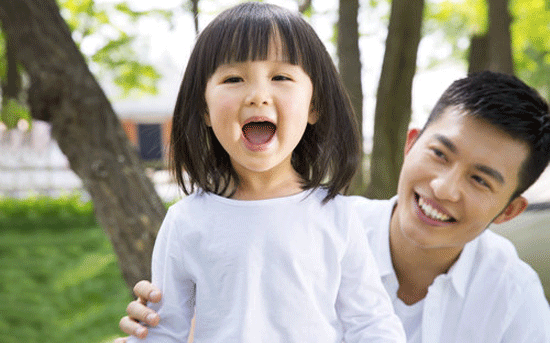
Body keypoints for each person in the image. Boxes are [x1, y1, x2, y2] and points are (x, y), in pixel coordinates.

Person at [117, 70, 550, 343]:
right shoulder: (315, 224)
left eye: (479, 179)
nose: (444, 187)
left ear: (509, 211)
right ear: (411, 142)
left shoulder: (513, 297)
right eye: (439, 153)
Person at [123, 1, 406, 343]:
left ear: (313, 105)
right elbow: (165, 330)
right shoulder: (185, 222)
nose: (258, 95)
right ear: (205, 109)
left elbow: (371, 324)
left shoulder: (337, 217)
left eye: (281, 77)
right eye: (233, 78)